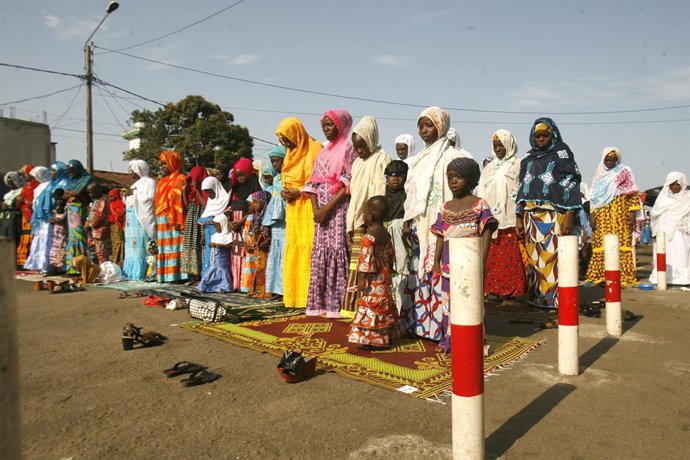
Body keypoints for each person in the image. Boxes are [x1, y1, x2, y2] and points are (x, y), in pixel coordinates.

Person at [402, 107, 468, 339]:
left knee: (441, 270)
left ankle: (442, 328)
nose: (423, 130)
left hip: (444, 225)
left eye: (428, 125)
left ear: (440, 127)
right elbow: (411, 193)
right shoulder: (419, 159)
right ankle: (420, 325)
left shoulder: (453, 156)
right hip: (421, 224)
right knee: (420, 272)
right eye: (420, 126)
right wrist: (408, 220)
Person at [431, 158, 497, 352]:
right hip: (447, 264)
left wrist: (482, 261)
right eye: (449, 177)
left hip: (470, 263)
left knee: (471, 302)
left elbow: (487, 232)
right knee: (447, 304)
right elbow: (441, 236)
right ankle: (448, 341)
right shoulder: (445, 207)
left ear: (470, 179)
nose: (453, 181)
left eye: (458, 177)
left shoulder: (479, 205)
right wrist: (435, 261)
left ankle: (473, 341)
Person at [516, 118, 582, 309]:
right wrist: (519, 215)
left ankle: (557, 299)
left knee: (554, 258)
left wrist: (570, 212)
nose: (541, 139)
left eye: (545, 135)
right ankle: (539, 297)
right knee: (535, 259)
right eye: (538, 136)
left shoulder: (562, 154)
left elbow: (571, 181)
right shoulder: (528, 158)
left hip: (553, 215)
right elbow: (521, 188)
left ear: (552, 135)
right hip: (530, 216)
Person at [304, 109, 357, 317]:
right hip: (321, 213)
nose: (325, 129)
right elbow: (312, 184)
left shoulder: (348, 149)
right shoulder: (322, 152)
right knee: (321, 251)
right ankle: (320, 304)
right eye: (323, 125)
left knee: (337, 249)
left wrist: (327, 208)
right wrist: (316, 209)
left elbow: (348, 182)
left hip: (338, 209)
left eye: (330, 125)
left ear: (341, 125)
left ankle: (337, 305)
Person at [342, 116, 391, 318]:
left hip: (373, 221)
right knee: (357, 265)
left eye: (363, 146)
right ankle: (352, 308)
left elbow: (381, 191)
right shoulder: (357, 164)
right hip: (358, 219)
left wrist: (374, 220)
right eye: (356, 147)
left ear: (371, 140)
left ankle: (370, 309)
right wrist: (351, 222)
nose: (360, 151)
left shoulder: (382, 158)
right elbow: (354, 195)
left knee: (371, 266)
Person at [275, 117, 323, 308]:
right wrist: (285, 192)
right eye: (283, 141)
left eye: (287, 139)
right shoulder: (289, 155)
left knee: (310, 248)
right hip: (294, 209)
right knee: (294, 247)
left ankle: (311, 297)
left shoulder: (315, 149)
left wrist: (299, 191)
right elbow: (286, 180)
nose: (286, 144)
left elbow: (320, 181)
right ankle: (296, 297)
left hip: (310, 206)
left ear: (297, 134)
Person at [477, 129, 527, 299]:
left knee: (510, 255)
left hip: (510, 216)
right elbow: (482, 191)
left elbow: (522, 190)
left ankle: (512, 291)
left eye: (501, 145)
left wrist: (520, 215)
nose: (498, 149)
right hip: (491, 217)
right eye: (495, 146)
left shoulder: (519, 164)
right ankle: (492, 289)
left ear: (509, 145)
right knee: (490, 254)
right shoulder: (489, 168)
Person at [347, 196, 400, 348]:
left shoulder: (368, 237)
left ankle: (371, 339)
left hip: (373, 276)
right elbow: (390, 255)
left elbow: (365, 261)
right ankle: (385, 336)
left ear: (370, 215)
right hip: (384, 274)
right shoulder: (386, 234)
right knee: (383, 303)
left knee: (372, 305)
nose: (363, 215)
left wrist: (361, 280)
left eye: (364, 212)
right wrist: (389, 268)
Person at [585, 147, 641, 286]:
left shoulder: (624, 171)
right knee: (600, 244)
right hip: (601, 216)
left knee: (621, 244)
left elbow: (632, 194)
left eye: (613, 159)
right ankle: (599, 276)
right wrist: (592, 216)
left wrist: (632, 213)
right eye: (607, 159)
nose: (610, 162)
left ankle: (624, 276)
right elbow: (593, 198)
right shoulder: (598, 174)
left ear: (617, 160)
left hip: (620, 215)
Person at [227, 157, 261, 291]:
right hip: (235, 226)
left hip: (249, 225)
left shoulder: (256, 187)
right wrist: (230, 221)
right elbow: (230, 206)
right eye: (237, 176)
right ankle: (236, 283)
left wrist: (242, 221)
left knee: (247, 254)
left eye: (242, 175)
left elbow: (256, 208)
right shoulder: (235, 188)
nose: (240, 178)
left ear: (248, 172)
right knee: (236, 254)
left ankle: (246, 285)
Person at [649, 172, 690, 286]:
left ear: (682, 184)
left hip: (681, 232)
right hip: (664, 232)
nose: (675, 187)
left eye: (677, 184)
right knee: (664, 253)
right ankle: (663, 278)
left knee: (681, 254)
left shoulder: (687, 197)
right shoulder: (662, 199)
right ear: (668, 185)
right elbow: (655, 215)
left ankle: (682, 279)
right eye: (672, 184)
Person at [154, 150, 187, 283]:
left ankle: (177, 275)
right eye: (161, 164)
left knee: (175, 246)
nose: (161, 167)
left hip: (175, 219)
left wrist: (179, 219)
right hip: (162, 219)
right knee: (165, 247)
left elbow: (180, 202)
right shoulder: (162, 182)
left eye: (164, 164)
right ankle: (166, 275)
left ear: (172, 163)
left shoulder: (181, 178)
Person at [123, 160, 157, 281]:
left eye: (132, 170)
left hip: (140, 219)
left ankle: (143, 273)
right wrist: (127, 195)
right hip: (131, 219)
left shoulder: (149, 182)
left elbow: (149, 198)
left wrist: (134, 193)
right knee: (131, 248)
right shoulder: (135, 184)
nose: (130, 173)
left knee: (140, 247)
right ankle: (130, 273)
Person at [383, 160, 410, 312]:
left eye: (399, 175)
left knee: (402, 270)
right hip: (385, 235)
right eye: (391, 175)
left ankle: (400, 311)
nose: (395, 178)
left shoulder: (408, 196)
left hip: (400, 233)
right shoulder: (381, 194)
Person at [262, 145, 288, 300]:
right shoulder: (275, 181)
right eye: (272, 161)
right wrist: (267, 224)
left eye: (277, 160)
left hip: (286, 224)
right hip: (276, 225)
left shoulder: (288, 178)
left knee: (284, 258)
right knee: (275, 257)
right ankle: (274, 289)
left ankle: (284, 290)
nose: (274, 164)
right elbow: (272, 205)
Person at [63, 160, 93, 274]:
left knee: (80, 237)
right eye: (69, 172)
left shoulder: (86, 179)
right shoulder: (71, 181)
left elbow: (79, 193)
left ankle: (82, 267)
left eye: (73, 172)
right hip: (71, 211)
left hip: (80, 210)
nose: (71, 175)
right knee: (72, 239)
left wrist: (70, 193)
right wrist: (71, 193)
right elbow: (64, 194)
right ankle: (71, 268)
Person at [180, 166, 208, 280]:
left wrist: (197, 190)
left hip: (201, 224)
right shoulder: (191, 192)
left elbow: (205, 205)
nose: (192, 182)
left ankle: (202, 275)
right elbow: (188, 207)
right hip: (191, 223)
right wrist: (183, 192)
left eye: (194, 179)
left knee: (201, 246)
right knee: (191, 245)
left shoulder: (206, 191)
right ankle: (194, 275)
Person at [242, 190, 272, 297]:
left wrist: (262, 244)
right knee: (256, 269)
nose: (254, 205)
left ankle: (263, 291)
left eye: (256, 202)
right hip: (256, 249)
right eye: (253, 202)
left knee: (263, 270)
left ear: (263, 202)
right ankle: (255, 290)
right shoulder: (255, 217)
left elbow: (269, 236)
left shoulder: (267, 218)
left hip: (264, 249)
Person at [199, 176, 229, 277]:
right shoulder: (210, 202)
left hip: (219, 235)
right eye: (207, 192)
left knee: (218, 257)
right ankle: (206, 278)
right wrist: (203, 235)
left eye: (210, 192)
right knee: (208, 255)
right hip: (208, 234)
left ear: (215, 188)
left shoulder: (225, 200)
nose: (209, 195)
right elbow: (205, 220)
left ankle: (217, 279)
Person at [23, 166, 52, 272]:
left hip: (46, 216)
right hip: (39, 217)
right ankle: (38, 264)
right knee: (39, 239)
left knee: (47, 240)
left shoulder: (50, 185)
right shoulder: (39, 187)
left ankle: (46, 266)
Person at [197, 214, 234, 293]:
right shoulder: (214, 236)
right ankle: (207, 286)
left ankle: (225, 287)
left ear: (223, 224)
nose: (215, 228)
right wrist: (211, 244)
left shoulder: (229, 235)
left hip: (223, 260)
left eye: (217, 226)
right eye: (215, 226)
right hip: (215, 258)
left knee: (223, 271)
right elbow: (211, 243)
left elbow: (230, 246)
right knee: (212, 270)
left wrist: (219, 245)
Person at [16, 164, 39, 268]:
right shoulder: (25, 187)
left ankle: (30, 261)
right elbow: (19, 202)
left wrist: (25, 201)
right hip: (24, 216)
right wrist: (18, 200)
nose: (24, 177)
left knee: (31, 237)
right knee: (24, 236)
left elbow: (35, 201)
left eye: (25, 174)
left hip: (32, 215)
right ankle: (22, 262)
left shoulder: (37, 185)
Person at [85, 183, 110, 264]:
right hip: (92, 231)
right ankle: (96, 270)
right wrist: (87, 223)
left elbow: (99, 215)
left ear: (98, 191)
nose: (89, 195)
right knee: (92, 251)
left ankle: (103, 269)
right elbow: (90, 215)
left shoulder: (102, 201)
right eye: (88, 193)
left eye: (91, 192)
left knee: (101, 252)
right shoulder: (95, 201)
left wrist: (90, 224)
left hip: (99, 231)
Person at [0, 172, 23, 249]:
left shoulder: (22, 191)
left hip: (14, 219)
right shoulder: (7, 194)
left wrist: (9, 206)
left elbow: (20, 205)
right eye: (8, 180)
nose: (9, 181)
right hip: (4, 219)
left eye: (11, 179)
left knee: (12, 238)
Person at [48, 188, 68, 273]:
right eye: (56, 200)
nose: (58, 201)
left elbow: (62, 220)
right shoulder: (57, 207)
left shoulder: (67, 207)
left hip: (63, 233)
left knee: (62, 250)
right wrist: (55, 220)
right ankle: (54, 268)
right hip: (56, 234)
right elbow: (50, 220)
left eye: (59, 199)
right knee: (54, 251)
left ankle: (62, 269)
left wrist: (55, 220)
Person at [108, 189, 126, 266]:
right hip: (112, 225)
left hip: (117, 224)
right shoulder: (111, 203)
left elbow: (121, 213)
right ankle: (115, 259)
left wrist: (115, 217)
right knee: (114, 243)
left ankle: (120, 260)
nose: (110, 197)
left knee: (119, 242)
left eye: (111, 196)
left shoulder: (120, 203)